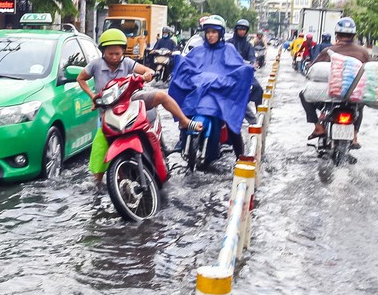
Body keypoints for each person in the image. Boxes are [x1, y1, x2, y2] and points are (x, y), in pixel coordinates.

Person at [77, 28, 198, 182]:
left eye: (117, 53)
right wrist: (93, 96)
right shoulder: (95, 65)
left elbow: (146, 70)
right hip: (107, 113)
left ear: (123, 52)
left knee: (161, 95)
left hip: (130, 101)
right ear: (103, 52)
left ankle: (183, 120)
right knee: (99, 152)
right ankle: (98, 184)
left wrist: (147, 74)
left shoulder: (127, 62)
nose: (114, 57)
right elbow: (81, 78)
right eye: (110, 54)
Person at [169, 15, 254, 160]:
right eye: (208, 32)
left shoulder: (229, 49)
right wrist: (177, 60)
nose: (210, 35)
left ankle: (240, 156)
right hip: (199, 93)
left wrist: (247, 69)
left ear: (220, 33)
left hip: (219, 94)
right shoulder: (198, 50)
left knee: (232, 123)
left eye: (214, 32)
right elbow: (187, 65)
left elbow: (238, 68)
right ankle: (183, 141)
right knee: (186, 113)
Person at [299, 17, 370, 148]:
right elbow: (369, 71)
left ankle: (318, 126)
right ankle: (354, 135)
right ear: (353, 35)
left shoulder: (329, 51)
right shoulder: (363, 52)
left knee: (303, 95)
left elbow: (314, 69)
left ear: (336, 34)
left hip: (331, 95)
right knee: (360, 106)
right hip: (353, 97)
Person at [227, 19, 263, 121]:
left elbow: (252, 58)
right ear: (236, 30)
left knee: (258, 89)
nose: (242, 31)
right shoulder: (228, 44)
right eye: (240, 29)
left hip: (244, 74)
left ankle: (259, 116)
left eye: (244, 30)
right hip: (229, 74)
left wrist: (253, 63)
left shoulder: (248, 45)